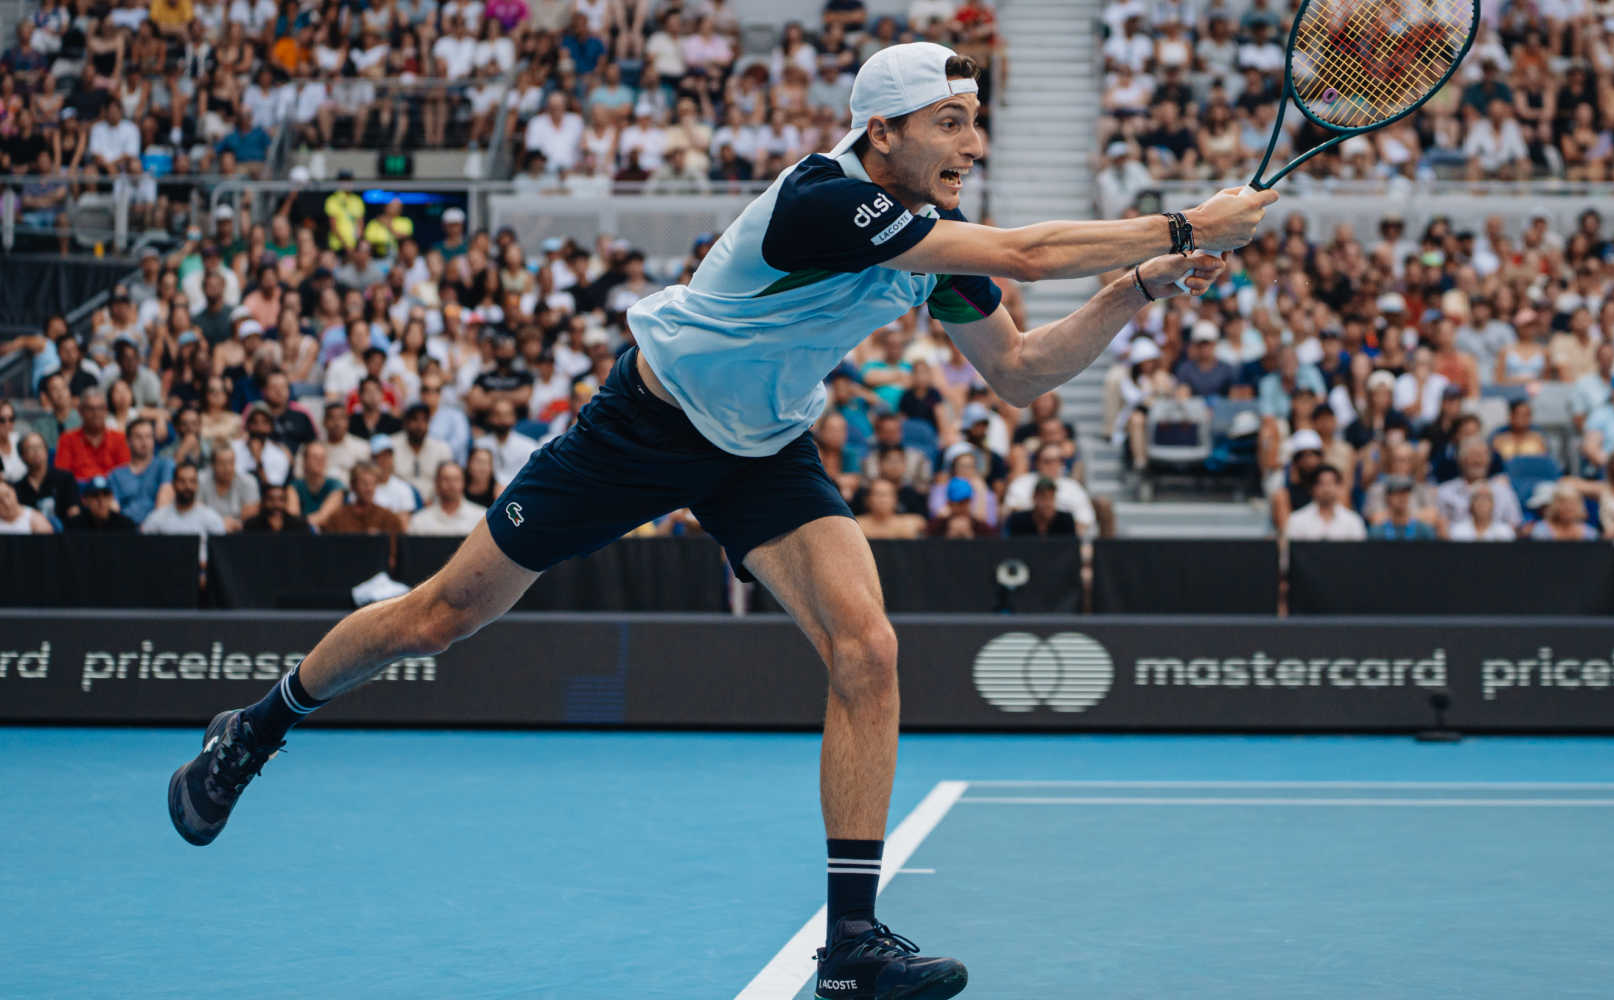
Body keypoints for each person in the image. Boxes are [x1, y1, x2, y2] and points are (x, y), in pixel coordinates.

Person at [167, 44, 1267, 997]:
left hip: (763, 449)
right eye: (949, 120)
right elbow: (1026, 252)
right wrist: (1178, 217)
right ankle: (256, 726)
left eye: (976, 120)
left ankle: (851, 948)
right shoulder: (822, 201)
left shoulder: (932, 243)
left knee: (867, 648)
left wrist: (1136, 290)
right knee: (442, 618)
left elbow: (1024, 374)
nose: (970, 138)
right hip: (641, 425)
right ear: (880, 132)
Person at [106, 418, 175, 525]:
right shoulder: (115, 475)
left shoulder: (165, 465)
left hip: (157, 529)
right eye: (138, 437)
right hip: (126, 532)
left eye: (148, 436)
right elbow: (114, 510)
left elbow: (163, 504)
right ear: (128, 441)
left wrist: (149, 528)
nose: (144, 441)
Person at [54, 388, 131, 481]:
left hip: (112, 492)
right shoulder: (67, 439)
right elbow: (62, 478)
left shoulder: (120, 439)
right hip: (78, 493)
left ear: (106, 411)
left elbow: (124, 476)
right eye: (90, 409)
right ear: (80, 411)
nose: (96, 413)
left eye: (100, 408)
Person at [1282, 465, 1367, 540]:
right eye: (1321, 483)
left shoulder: (1353, 521)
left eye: (1331, 483)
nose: (1326, 489)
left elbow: (1359, 554)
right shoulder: (1297, 520)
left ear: (1339, 487)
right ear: (1312, 488)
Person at [407, 461, 486, 537]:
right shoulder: (419, 521)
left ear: (463, 483)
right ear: (436, 483)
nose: (451, 484)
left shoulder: (481, 518)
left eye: (456, 479)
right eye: (446, 479)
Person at [1002, 477, 1077, 537]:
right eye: (1043, 497)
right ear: (1034, 497)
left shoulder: (1066, 521)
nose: (1047, 503)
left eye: (1051, 497)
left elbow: (1071, 549)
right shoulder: (1018, 521)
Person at [1366, 476, 1434, 539]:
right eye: (1396, 493)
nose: (1402, 497)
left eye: (1405, 493)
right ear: (1387, 497)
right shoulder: (1377, 532)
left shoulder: (1423, 530)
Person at [67, 476, 139, 533]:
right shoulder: (75, 525)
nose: (101, 501)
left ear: (111, 498)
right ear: (85, 500)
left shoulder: (125, 525)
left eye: (105, 495)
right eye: (95, 495)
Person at [242, 481, 312, 534]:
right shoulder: (252, 526)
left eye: (281, 499)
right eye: (271, 499)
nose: (276, 504)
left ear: (286, 502)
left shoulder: (298, 526)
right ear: (263, 502)